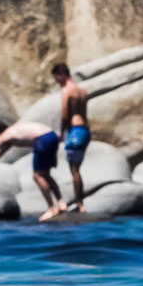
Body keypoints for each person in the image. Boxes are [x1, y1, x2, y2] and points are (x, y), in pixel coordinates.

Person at [0, 119, 67, 221]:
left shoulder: (6, 134)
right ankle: (61, 203)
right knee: (46, 174)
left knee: (37, 176)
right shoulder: (13, 134)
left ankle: (51, 208)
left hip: (42, 140)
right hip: (52, 136)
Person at [52, 61, 91, 213]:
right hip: (85, 131)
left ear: (62, 75)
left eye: (57, 78)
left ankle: (80, 204)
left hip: (74, 131)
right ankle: (80, 202)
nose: (57, 82)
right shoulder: (82, 91)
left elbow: (64, 115)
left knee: (74, 170)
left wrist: (62, 134)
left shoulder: (66, 91)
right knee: (77, 169)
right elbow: (85, 114)